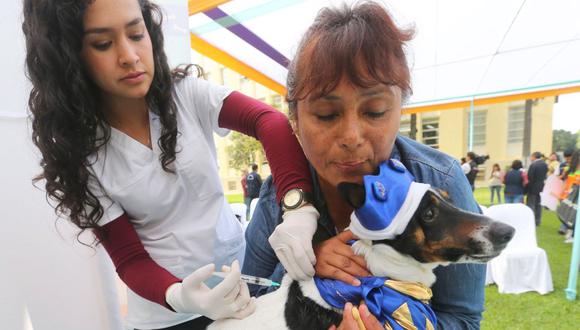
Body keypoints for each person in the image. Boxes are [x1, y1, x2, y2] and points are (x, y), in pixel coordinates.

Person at [22, 0, 320, 329]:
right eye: (103, 44)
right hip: (165, 315)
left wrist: (298, 206)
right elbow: (130, 259)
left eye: (136, 34)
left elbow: (270, 122)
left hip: (242, 292)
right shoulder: (83, 154)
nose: (130, 56)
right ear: (70, 57)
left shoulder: (187, 97)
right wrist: (179, 296)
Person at [242, 2, 486, 328]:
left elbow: (463, 317)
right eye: (327, 114)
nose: (352, 136)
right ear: (295, 120)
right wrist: (302, 266)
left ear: (401, 108)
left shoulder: (438, 180)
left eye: (374, 111)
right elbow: (250, 299)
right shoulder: (279, 195)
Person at [559, 150, 580, 243]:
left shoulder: (573, 169)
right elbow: (567, 183)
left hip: (572, 196)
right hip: (571, 196)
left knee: (573, 216)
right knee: (570, 215)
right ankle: (571, 233)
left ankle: (572, 234)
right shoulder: (570, 169)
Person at [526, 151, 548, 226]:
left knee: (531, 204)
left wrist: (528, 187)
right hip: (541, 187)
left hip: (533, 187)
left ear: (534, 156)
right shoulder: (545, 164)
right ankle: (537, 221)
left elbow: (530, 177)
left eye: (531, 156)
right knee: (538, 205)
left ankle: (530, 221)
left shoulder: (533, 165)